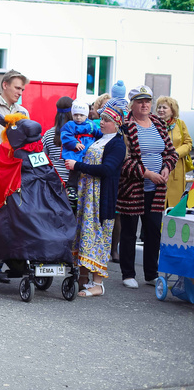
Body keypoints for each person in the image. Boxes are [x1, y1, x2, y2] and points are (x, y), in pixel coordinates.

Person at [117, 85, 177, 289]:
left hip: (156, 189)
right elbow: (123, 160)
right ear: (132, 104)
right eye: (140, 101)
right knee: (129, 232)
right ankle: (127, 273)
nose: (145, 104)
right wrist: (146, 173)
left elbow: (171, 152)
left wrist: (167, 168)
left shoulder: (159, 124)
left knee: (153, 231)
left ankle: (151, 273)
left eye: (148, 101)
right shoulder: (125, 126)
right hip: (132, 189)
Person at [64, 106, 126, 297]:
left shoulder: (117, 144)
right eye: (102, 119)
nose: (103, 123)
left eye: (107, 120)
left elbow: (107, 169)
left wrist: (78, 165)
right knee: (84, 233)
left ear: (116, 124)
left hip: (100, 197)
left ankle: (97, 284)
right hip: (87, 195)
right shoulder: (100, 139)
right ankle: (82, 277)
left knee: (98, 235)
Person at [61, 99, 102, 202]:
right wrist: (74, 143)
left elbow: (98, 134)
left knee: (85, 171)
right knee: (74, 170)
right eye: (76, 115)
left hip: (87, 151)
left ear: (86, 115)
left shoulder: (92, 125)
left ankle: (84, 190)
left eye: (81, 115)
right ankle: (71, 188)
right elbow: (65, 136)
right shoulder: (69, 125)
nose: (78, 117)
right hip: (75, 152)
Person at [156, 96, 192, 207]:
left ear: (172, 111)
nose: (161, 110)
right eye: (159, 107)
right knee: (157, 205)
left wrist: (176, 153)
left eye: (164, 108)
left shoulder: (180, 124)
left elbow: (188, 143)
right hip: (158, 169)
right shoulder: (153, 124)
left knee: (174, 205)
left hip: (176, 169)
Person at [41, 96, 73, 186]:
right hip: (72, 182)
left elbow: (42, 157)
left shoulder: (48, 134)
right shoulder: (78, 135)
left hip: (53, 179)